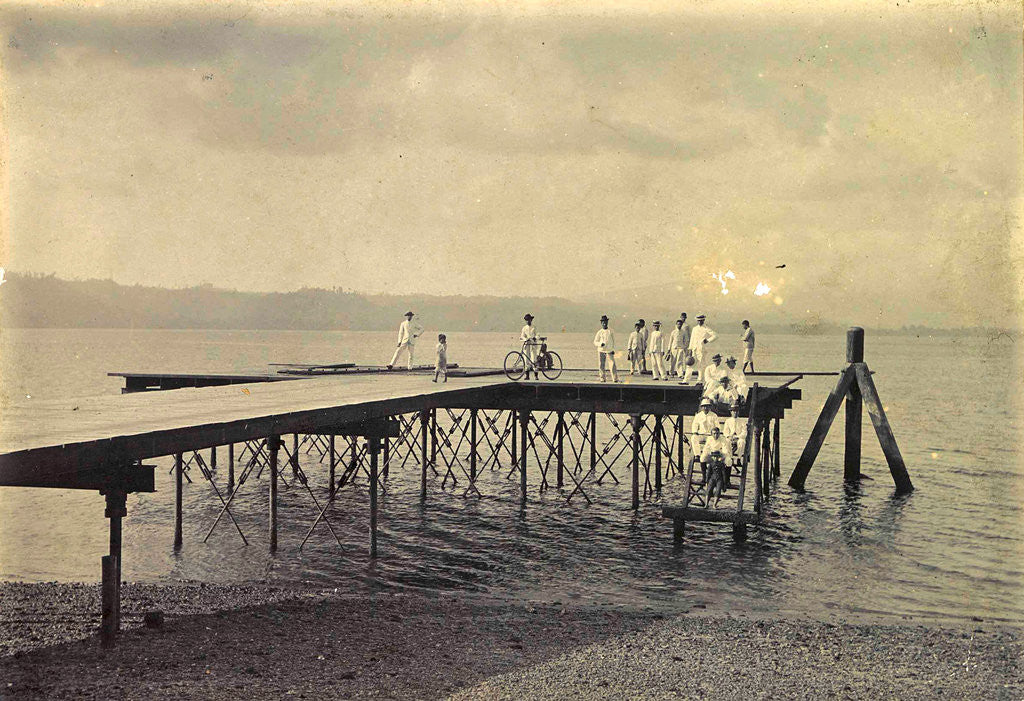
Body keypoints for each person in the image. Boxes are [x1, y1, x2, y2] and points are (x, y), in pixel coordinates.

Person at [701, 425, 732, 507]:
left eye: (717, 433)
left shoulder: (723, 439)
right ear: (711, 434)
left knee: (729, 461)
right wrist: (711, 454)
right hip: (712, 455)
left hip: (721, 455)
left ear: (719, 433)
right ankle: (704, 478)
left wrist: (720, 457)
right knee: (702, 457)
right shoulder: (709, 439)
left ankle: (727, 480)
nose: (715, 435)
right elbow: (706, 449)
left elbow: (725, 450)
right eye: (714, 433)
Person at [690, 397, 717, 482]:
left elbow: (717, 427)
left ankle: (707, 475)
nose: (705, 408)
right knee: (693, 437)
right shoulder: (698, 416)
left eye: (707, 406)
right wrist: (695, 432)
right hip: (701, 434)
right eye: (704, 406)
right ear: (701, 407)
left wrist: (713, 434)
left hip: (710, 436)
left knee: (707, 454)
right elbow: (694, 425)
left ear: (710, 407)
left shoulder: (714, 415)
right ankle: (697, 454)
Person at [685, 314, 716, 382]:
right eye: (698, 321)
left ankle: (700, 380)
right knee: (689, 364)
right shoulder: (694, 328)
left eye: (701, 321)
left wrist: (707, 340)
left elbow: (715, 335)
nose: (700, 322)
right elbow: (692, 339)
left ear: (704, 320)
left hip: (701, 349)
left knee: (701, 365)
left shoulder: (706, 328)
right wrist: (690, 349)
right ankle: (685, 381)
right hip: (694, 349)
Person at [593, 315, 620, 383]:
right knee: (601, 364)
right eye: (603, 322)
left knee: (612, 364)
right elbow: (595, 341)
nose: (604, 323)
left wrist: (614, 349)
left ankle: (615, 378)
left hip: (609, 350)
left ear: (607, 322)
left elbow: (614, 341)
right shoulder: (599, 332)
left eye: (605, 322)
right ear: (601, 323)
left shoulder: (611, 331)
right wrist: (600, 344)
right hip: (601, 350)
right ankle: (602, 378)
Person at [520, 314, 539, 380]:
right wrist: (525, 339)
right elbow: (522, 336)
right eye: (527, 320)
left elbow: (538, 335)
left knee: (534, 359)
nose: (528, 321)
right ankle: (527, 376)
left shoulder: (534, 327)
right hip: (527, 345)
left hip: (533, 345)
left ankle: (536, 375)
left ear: (531, 320)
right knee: (526, 360)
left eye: (529, 320)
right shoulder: (524, 328)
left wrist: (535, 338)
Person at [675, 313, 693, 379]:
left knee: (687, 358)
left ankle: (686, 372)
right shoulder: (677, 324)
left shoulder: (687, 325)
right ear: (680, 317)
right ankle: (680, 373)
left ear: (686, 317)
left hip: (687, 343)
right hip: (680, 344)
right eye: (682, 317)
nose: (683, 318)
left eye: (684, 317)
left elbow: (690, 334)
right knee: (679, 359)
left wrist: (690, 343)